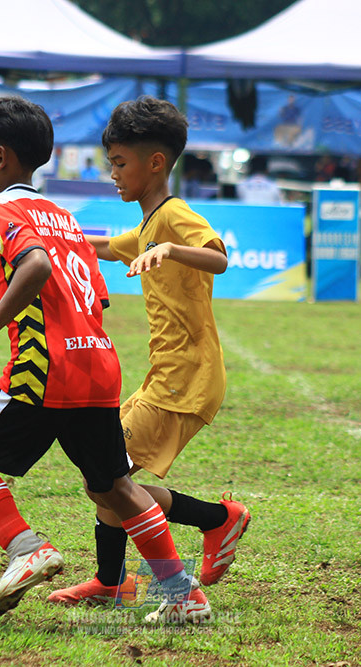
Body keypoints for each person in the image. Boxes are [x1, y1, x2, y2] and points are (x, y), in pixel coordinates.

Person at [0, 92, 210, 624]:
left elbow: (33, 266)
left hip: (44, 370)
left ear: (1, 157)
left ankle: (25, 548)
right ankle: (181, 592)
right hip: (100, 366)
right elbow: (94, 299)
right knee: (114, 486)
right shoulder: (62, 215)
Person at [47, 96, 249, 608]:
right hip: (167, 376)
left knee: (108, 480)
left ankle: (216, 520)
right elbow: (99, 245)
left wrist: (170, 250)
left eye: (119, 163)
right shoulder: (146, 223)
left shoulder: (174, 216)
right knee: (105, 480)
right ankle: (113, 583)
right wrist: (53, 232)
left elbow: (217, 257)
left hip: (185, 379)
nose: (112, 174)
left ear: (154, 162)